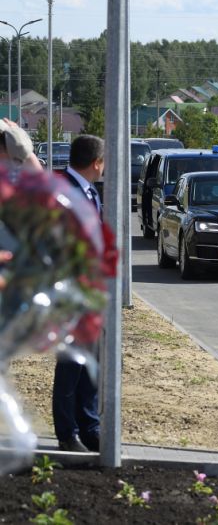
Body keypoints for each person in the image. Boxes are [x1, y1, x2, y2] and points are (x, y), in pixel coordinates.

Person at [52, 134, 105, 453]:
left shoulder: (87, 191)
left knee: (89, 363)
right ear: (96, 163)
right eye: (104, 162)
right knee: (71, 364)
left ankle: (89, 428)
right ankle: (66, 433)